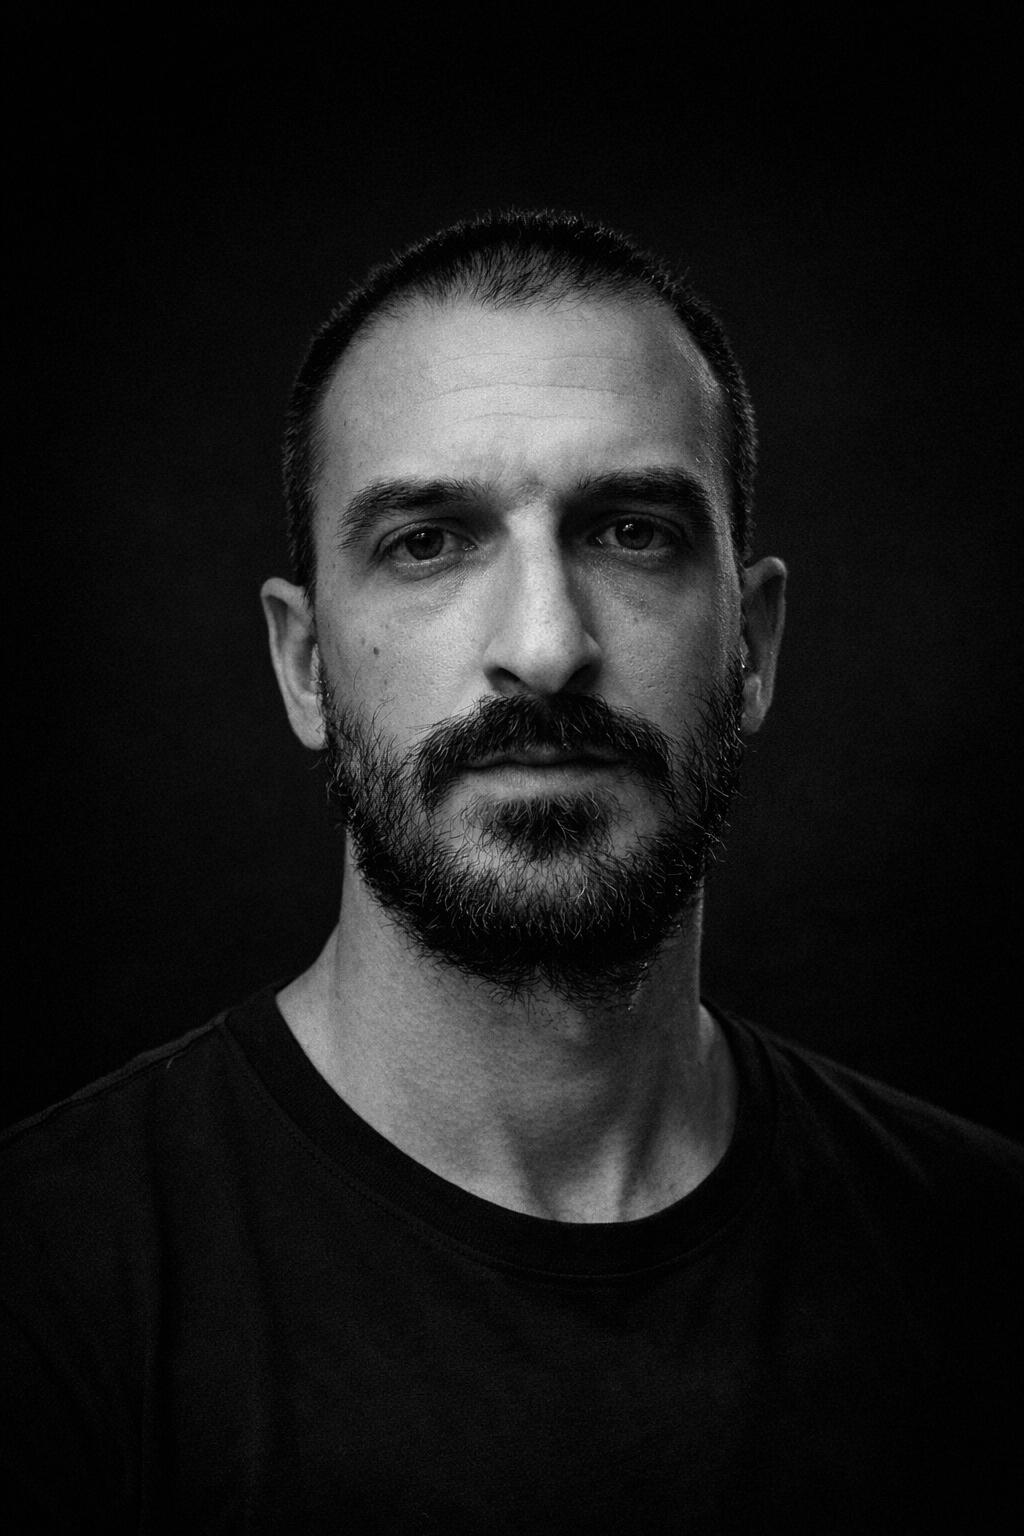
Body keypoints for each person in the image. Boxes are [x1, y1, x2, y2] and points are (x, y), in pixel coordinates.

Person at [2, 210, 1020, 1533]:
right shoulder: (47, 1286)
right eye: (427, 542)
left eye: (631, 531)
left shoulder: (983, 1255)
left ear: (754, 645)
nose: (545, 647)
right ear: (305, 665)